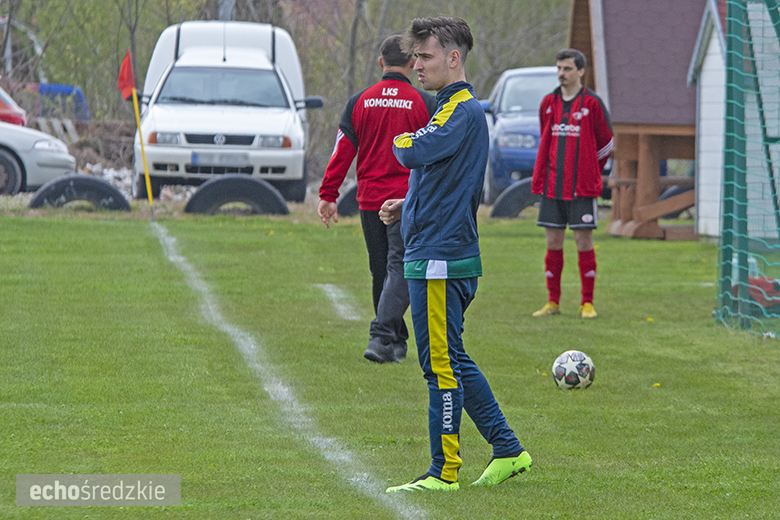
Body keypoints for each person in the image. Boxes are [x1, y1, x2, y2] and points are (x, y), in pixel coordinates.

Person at [379, 17, 532, 492]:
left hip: (441, 258)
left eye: (424, 56)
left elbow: (414, 152)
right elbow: (449, 176)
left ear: (453, 58)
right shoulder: (449, 107)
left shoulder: (458, 109)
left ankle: (443, 472)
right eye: (414, 56)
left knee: (440, 366)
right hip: (438, 250)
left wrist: (403, 139)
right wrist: (410, 203)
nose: (415, 65)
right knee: (453, 359)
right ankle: (508, 450)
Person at [318, 35, 437, 363]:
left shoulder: (360, 101)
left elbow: (343, 151)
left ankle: (390, 341)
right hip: (405, 202)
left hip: (369, 200)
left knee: (381, 270)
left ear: (381, 63)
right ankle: (388, 338)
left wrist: (329, 194)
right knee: (399, 266)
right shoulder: (423, 103)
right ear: (413, 63)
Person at [531, 48, 613, 319]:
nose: (561, 74)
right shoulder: (548, 103)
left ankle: (587, 302)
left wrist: (590, 169)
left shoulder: (591, 104)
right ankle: (552, 302)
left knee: (583, 241)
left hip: (581, 189)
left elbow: (606, 143)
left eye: (567, 69)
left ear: (580, 71)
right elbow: (546, 139)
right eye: (559, 68)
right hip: (552, 186)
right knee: (553, 241)